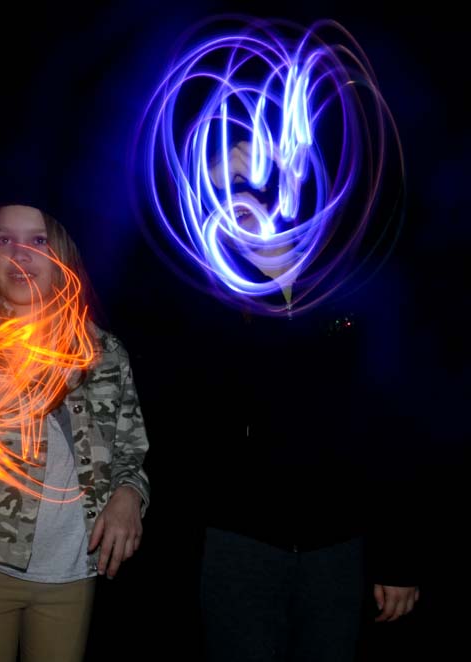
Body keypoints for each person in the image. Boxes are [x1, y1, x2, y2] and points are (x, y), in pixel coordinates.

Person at [191, 140, 419, 661]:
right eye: (235, 203)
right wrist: (211, 178)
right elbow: (145, 268)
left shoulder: (356, 292)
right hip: (239, 543)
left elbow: (394, 427)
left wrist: (399, 556)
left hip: (338, 547)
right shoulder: (210, 300)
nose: (255, 215)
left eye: (267, 199)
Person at [0, 203, 150, 662]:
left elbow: (130, 454)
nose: (20, 253)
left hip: (72, 571)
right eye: (5, 239)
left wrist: (130, 495)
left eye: (38, 240)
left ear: (62, 257)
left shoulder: (106, 351)